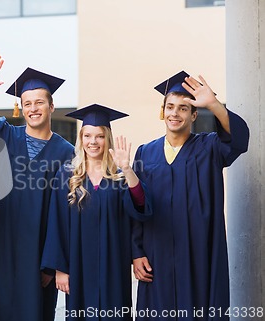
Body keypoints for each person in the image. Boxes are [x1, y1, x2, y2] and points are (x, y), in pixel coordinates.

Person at [0, 54, 75, 321]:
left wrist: (52, 263)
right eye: (27, 104)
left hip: (37, 258)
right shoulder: (4, 134)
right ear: (20, 108)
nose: (33, 108)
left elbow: (64, 214)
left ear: (51, 106)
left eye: (39, 103)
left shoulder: (66, 153)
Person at [132, 71, 250, 320]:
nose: (175, 113)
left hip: (199, 252)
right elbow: (135, 206)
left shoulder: (209, 147)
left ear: (194, 114)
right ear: (162, 111)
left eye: (183, 109)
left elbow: (239, 140)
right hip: (156, 254)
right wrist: (136, 252)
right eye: (170, 107)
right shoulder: (145, 153)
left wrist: (214, 104)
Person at [41, 104, 151, 321]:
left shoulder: (119, 176)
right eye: (88, 136)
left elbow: (139, 209)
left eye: (99, 136)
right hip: (78, 263)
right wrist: (61, 269)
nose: (93, 142)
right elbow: (57, 223)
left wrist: (127, 169)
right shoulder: (68, 176)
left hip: (114, 262)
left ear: (107, 138)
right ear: (81, 138)